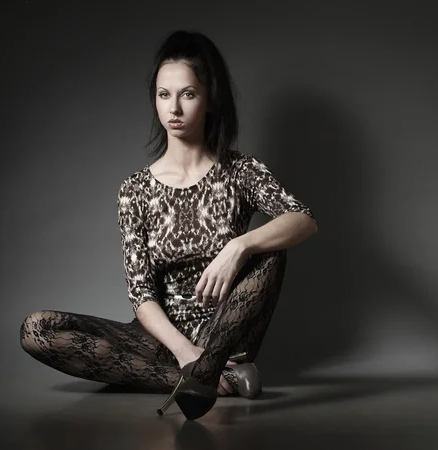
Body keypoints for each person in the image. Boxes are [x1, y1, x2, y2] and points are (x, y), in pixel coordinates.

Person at [20, 30, 318, 420]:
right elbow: (141, 294)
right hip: (161, 340)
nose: (174, 108)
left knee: (272, 250)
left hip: (226, 331)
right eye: (164, 95)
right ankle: (204, 377)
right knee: (37, 329)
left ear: (210, 99)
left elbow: (304, 219)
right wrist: (183, 352)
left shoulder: (241, 171)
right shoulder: (136, 190)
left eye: (188, 94)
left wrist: (238, 246)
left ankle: (212, 366)